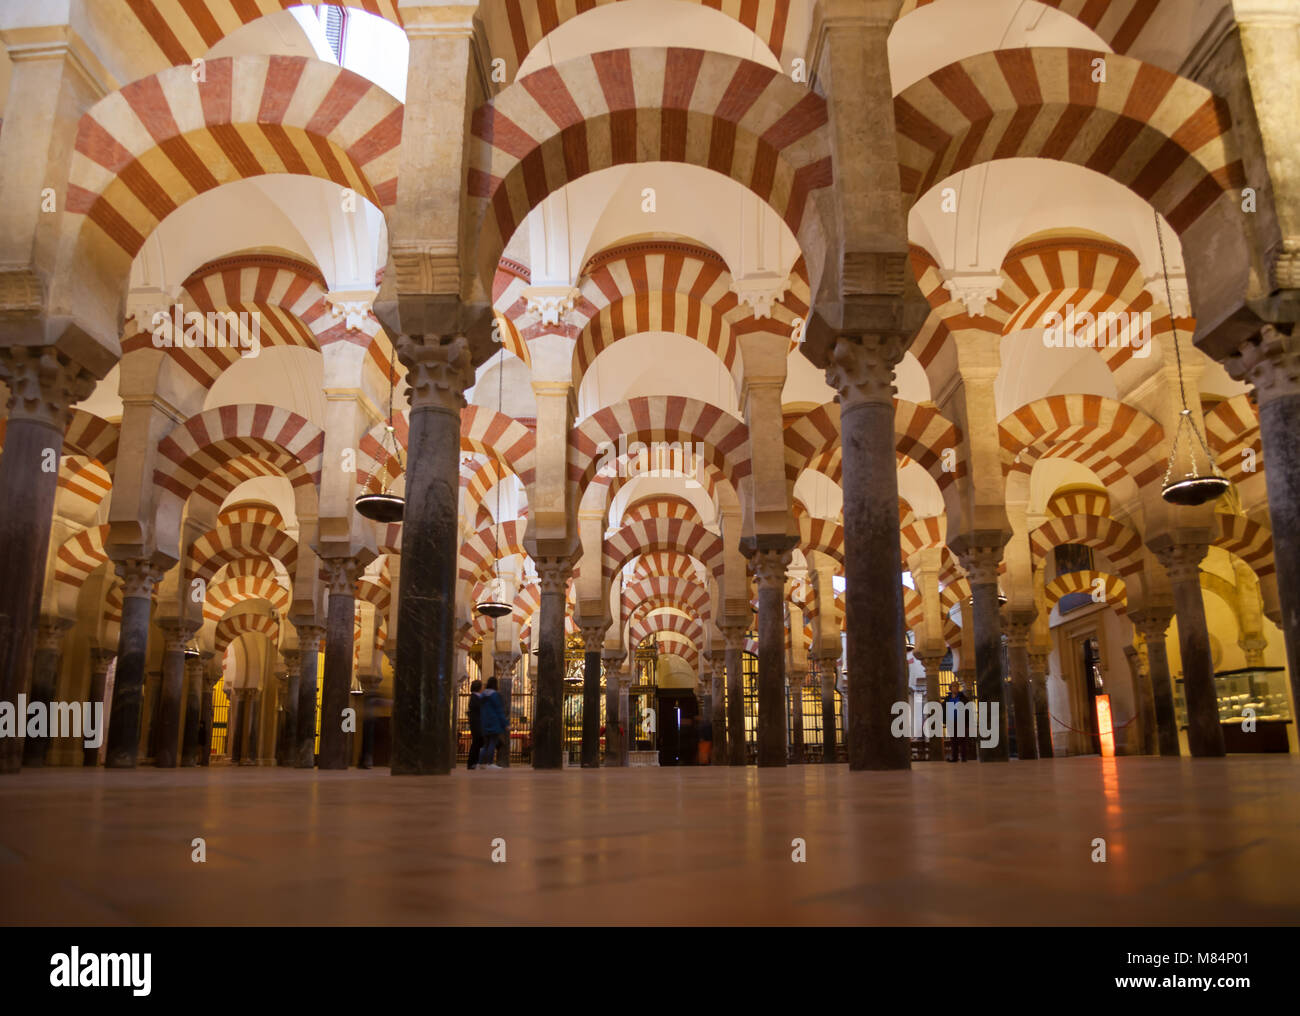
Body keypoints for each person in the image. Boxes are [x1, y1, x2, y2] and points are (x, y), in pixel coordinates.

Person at [478, 676, 509, 769]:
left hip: (484, 722)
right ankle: (489, 763)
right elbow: (499, 710)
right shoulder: (495, 695)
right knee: (492, 743)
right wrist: (505, 724)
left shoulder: (482, 695)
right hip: (494, 722)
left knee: (486, 744)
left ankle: (480, 763)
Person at [944, 681, 970, 762]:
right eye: (953, 686)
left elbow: (968, 710)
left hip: (961, 721)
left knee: (962, 741)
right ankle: (954, 758)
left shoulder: (963, 698)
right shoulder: (948, 699)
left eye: (956, 686)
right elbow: (944, 710)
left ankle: (964, 758)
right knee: (953, 740)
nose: (955, 688)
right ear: (950, 688)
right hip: (952, 722)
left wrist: (967, 723)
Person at [466, 679, 483, 770]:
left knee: (478, 743)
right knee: (476, 744)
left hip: (477, 724)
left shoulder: (476, 697)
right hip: (477, 724)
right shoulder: (475, 697)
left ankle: (474, 762)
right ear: (479, 688)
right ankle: (472, 763)